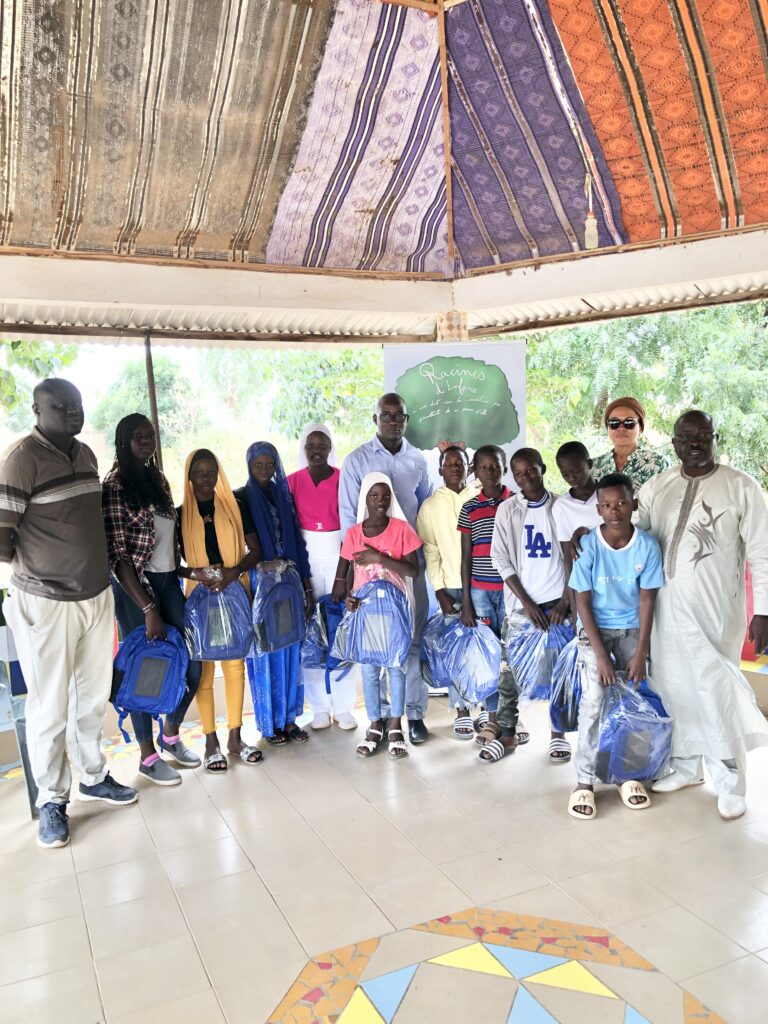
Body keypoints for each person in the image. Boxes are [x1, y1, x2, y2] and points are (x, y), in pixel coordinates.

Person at [0, 380, 137, 848]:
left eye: (77, 404)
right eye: (61, 406)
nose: (72, 412)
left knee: (92, 695)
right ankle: (52, 802)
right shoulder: (21, 460)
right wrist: (45, 571)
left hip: (95, 594)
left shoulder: (85, 454)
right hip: (46, 602)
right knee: (49, 705)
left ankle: (94, 776)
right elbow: (3, 538)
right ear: (37, 409)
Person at [638, 411, 768, 820]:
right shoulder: (658, 486)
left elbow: (763, 554)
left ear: (715, 437)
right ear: (674, 442)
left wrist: (764, 611)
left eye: (702, 435)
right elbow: (634, 540)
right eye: (685, 436)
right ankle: (685, 766)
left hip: (715, 613)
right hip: (663, 611)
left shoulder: (741, 487)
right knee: (673, 690)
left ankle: (730, 782)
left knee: (716, 693)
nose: (693, 443)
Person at [103, 415, 202, 785]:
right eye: (138, 436)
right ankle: (147, 757)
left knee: (192, 664)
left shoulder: (156, 478)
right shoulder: (115, 486)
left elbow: (166, 544)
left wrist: (187, 573)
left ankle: (171, 734)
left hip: (166, 582)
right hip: (136, 590)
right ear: (123, 441)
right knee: (143, 672)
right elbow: (119, 557)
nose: (146, 441)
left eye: (150, 435)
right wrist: (147, 607)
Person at [567, 473, 664, 819]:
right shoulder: (591, 545)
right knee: (594, 704)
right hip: (595, 632)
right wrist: (600, 655)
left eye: (622, 503)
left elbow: (646, 601)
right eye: (607, 505)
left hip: (631, 633)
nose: (614, 510)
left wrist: (641, 652)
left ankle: (628, 775)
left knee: (632, 703)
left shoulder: (647, 546)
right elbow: (582, 601)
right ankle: (584, 782)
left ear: (633, 504)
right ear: (598, 509)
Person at [339, 393, 433, 743]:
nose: (394, 421)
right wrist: (355, 577)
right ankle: (377, 720)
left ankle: (413, 715)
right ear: (375, 418)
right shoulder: (356, 461)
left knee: (410, 641)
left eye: (400, 416)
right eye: (387, 415)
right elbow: (349, 517)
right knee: (373, 645)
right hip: (366, 576)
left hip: (407, 567)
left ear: (406, 420)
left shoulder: (417, 460)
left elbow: (422, 508)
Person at [177, 449, 262, 772]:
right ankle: (210, 740)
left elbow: (256, 551)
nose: (206, 477)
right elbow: (170, 564)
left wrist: (232, 572)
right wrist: (196, 574)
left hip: (233, 589)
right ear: (189, 476)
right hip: (200, 599)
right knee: (205, 670)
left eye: (211, 471)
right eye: (198, 472)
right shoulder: (180, 514)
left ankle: (236, 738)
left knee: (235, 665)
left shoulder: (235, 507)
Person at [489, 448, 570, 763]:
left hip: (557, 605)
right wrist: (526, 602)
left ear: (543, 469)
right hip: (522, 606)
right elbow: (500, 558)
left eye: (530, 471)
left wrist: (565, 600)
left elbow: (574, 556)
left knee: (558, 670)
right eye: (518, 473)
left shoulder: (560, 506)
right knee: (509, 672)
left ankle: (558, 733)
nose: (524, 478)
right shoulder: (508, 510)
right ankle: (507, 733)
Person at [333, 473, 422, 760]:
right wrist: (347, 595)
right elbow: (347, 570)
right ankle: (374, 724)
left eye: (385, 496)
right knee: (370, 668)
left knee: (396, 667)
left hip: (395, 609)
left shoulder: (401, 529)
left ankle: (396, 724)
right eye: (374, 496)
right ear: (365, 499)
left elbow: (414, 571)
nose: (380, 501)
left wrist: (380, 559)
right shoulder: (354, 534)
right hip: (366, 611)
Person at [235, 441, 313, 745]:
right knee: (266, 651)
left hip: (290, 582)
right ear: (249, 466)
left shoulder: (284, 495)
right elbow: (239, 545)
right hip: (261, 584)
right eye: (258, 465)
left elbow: (298, 541)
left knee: (291, 649)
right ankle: (269, 725)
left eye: (270, 464)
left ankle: (290, 719)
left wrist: (306, 584)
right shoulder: (240, 498)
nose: (265, 470)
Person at [287, 424, 357, 731]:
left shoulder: (344, 479)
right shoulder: (292, 482)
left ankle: (344, 707)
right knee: (311, 634)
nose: (316, 450)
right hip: (307, 563)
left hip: (339, 561)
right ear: (304, 449)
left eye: (322, 445)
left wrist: (346, 576)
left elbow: (352, 527)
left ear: (330, 447)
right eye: (311, 445)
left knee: (341, 629)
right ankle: (318, 709)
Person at [416, 445, 479, 738]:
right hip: (451, 587)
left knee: (484, 649)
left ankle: (491, 709)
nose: (455, 467)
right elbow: (431, 551)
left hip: (483, 584)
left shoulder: (481, 495)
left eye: (460, 462)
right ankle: (462, 709)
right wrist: (439, 590)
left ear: (468, 467)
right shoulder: (430, 506)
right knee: (455, 650)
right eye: (448, 463)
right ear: (440, 470)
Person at [458, 446, 515, 755]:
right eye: (483, 467)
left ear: (503, 468)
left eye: (496, 465)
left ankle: (509, 719)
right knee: (488, 656)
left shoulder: (516, 503)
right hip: (480, 592)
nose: (490, 471)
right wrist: (466, 600)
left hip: (510, 591)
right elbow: (466, 555)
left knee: (509, 656)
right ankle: (491, 718)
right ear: (475, 472)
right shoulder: (469, 508)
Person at [553, 442, 602, 622]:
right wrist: (573, 606)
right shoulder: (561, 507)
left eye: (577, 471)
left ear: (589, 464)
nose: (571, 477)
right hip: (584, 583)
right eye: (565, 473)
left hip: (615, 577)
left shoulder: (608, 496)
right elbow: (568, 558)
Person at [591, 397, 671, 491]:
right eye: (614, 423)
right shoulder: (594, 466)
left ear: (640, 427)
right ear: (607, 427)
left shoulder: (658, 463)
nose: (621, 428)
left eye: (629, 423)